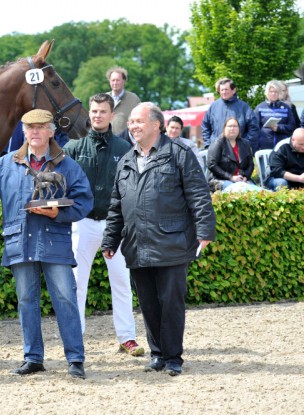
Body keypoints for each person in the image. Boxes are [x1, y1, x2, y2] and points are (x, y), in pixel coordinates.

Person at [0, 109, 93, 379]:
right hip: (20, 242)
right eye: (30, 128)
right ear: (24, 132)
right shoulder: (6, 164)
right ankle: (33, 358)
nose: (35, 132)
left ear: (51, 132)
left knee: (65, 299)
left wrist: (59, 213)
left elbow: (85, 202)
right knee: (27, 301)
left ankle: (75, 359)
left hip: (55, 241)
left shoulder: (68, 166)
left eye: (40, 127)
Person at [102, 102, 216, 376]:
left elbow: (198, 194)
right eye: (130, 122)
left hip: (172, 241)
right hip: (137, 244)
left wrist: (205, 230)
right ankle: (157, 354)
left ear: (156, 124)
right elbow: (117, 205)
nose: (133, 126)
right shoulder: (126, 160)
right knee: (149, 304)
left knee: (171, 302)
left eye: (138, 121)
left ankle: (173, 357)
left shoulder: (178, 153)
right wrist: (110, 240)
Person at [63, 93, 144, 357]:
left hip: (115, 224)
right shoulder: (73, 148)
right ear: (89, 113)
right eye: (94, 111)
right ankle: (76, 338)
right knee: (77, 283)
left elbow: (133, 189)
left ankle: (127, 337)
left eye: (102, 111)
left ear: (112, 115)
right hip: (82, 223)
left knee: (121, 280)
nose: (98, 115)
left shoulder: (124, 149)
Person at [201, 77, 259, 151]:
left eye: (226, 89)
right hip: (216, 149)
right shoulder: (213, 106)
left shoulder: (244, 107)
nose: (223, 92)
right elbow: (205, 126)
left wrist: (245, 144)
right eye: (222, 90)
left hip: (238, 150)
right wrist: (208, 145)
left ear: (234, 90)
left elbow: (253, 128)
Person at [207, 117, 261, 192]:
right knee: (240, 190)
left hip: (242, 180)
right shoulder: (218, 143)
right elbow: (211, 164)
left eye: (235, 126)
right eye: (230, 126)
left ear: (239, 129)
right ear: (224, 128)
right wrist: (231, 177)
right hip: (220, 180)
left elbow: (250, 164)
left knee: (258, 192)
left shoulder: (245, 143)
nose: (232, 128)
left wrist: (245, 177)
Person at [254, 80, 297, 151]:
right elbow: (255, 128)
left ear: (279, 93)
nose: (273, 94)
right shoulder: (260, 108)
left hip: (282, 147)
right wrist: (256, 147)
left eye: (276, 92)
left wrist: (279, 128)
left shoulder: (286, 108)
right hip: (264, 146)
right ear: (267, 93)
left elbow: (292, 126)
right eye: (271, 91)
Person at [106, 66, 140, 135]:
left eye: (118, 80)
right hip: (106, 141)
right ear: (109, 81)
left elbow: (140, 119)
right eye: (113, 80)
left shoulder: (133, 99)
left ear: (124, 81)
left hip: (126, 141)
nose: (115, 83)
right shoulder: (104, 98)